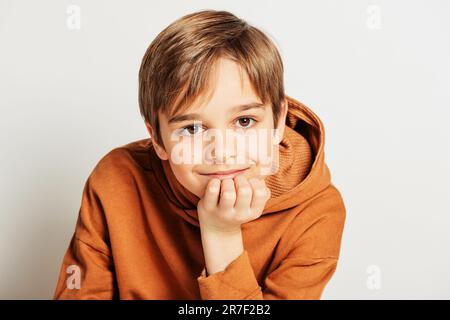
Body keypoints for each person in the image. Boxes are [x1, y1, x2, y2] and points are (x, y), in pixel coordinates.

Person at [53, 9, 346, 300]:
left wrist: (221, 234)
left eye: (244, 121)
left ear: (278, 121)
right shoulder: (116, 180)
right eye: (192, 128)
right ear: (157, 138)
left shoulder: (318, 212)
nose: (222, 151)